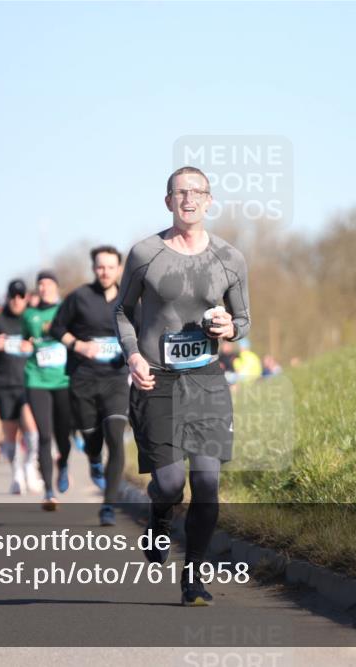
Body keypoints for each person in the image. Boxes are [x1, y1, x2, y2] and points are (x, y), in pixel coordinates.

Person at [114, 166, 250, 606]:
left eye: (197, 192)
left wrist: (230, 326)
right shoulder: (145, 253)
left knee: (207, 483)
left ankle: (193, 577)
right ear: (168, 201)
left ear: (210, 201)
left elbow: (244, 321)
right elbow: (121, 313)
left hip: (207, 379)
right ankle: (158, 518)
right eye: (180, 192)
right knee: (171, 484)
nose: (188, 199)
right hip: (157, 378)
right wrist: (133, 355)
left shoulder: (230, 258)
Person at [50, 246, 129, 526]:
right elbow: (56, 328)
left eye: (110, 266)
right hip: (83, 379)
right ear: (93, 268)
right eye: (100, 267)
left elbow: (145, 331)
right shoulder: (79, 297)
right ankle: (94, 458)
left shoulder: (129, 299)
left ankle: (108, 506)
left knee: (116, 438)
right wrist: (78, 344)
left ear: (119, 268)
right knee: (92, 440)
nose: (105, 272)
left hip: (116, 379)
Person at [23, 270, 86, 510]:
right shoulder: (29, 315)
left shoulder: (68, 311)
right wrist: (24, 344)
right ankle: (49, 492)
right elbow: (26, 339)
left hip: (64, 380)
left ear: (56, 288)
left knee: (63, 434)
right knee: (44, 434)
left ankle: (65, 464)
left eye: (48, 284)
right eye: (40, 284)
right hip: (36, 379)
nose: (44, 288)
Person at [0, 280, 42, 495]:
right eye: (13, 296)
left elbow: (46, 342)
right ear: (7, 297)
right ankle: (16, 473)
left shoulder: (32, 318)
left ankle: (30, 467)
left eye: (21, 296)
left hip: (30, 381)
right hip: (5, 383)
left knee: (33, 429)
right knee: (10, 433)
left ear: (26, 298)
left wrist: (33, 344)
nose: (17, 300)